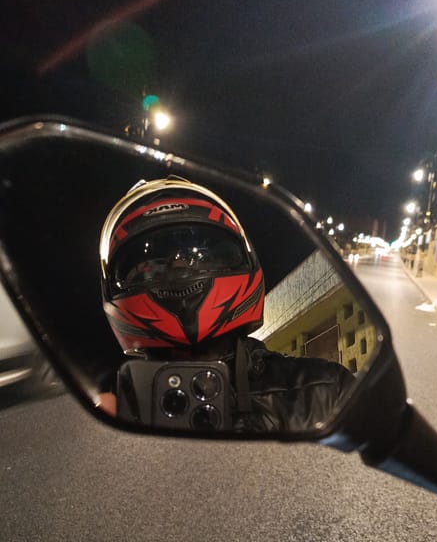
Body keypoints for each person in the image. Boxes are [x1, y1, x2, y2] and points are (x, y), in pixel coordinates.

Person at [98, 176, 355, 432]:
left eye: (196, 255)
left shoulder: (326, 390)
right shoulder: (322, 391)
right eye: (151, 265)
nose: (179, 268)